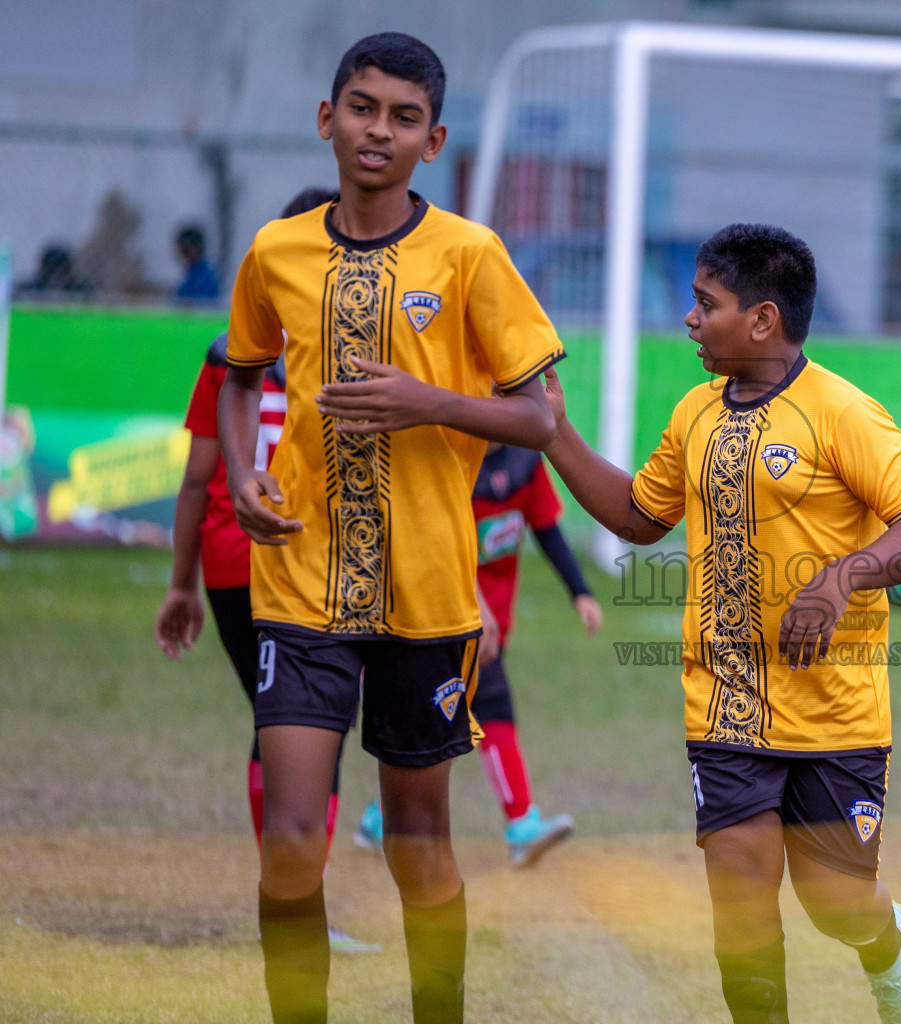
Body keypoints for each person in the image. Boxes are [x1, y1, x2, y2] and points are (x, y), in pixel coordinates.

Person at [217, 32, 563, 1024]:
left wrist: (430, 401)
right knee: (290, 839)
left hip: (426, 596)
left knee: (420, 850)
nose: (379, 129)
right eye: (363, 107)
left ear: (434, 140)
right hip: (299, 587)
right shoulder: (277, 251)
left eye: (403, 117)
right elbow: (240, 373)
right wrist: (243, 472)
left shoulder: (469, 255)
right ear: (328, 118)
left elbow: (541, 415)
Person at [541, 222, 901, 1024]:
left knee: (836, 903)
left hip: (836, 715)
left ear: (762, 320)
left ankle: (887, 948)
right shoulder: (696, 410)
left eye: (706, 304)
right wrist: (556, 430)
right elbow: (636, 514)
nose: (690, 320)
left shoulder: (844, 413)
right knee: (742, 908)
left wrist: (843, 576)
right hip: (724, 705)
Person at [153, 188, 376, 956]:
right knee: (312, 730)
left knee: (278, 723)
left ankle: (290, 903)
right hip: (305, 561)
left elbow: (195, 480)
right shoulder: (360, 346)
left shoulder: (228, 355)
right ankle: (297, 908)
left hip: (225, 558)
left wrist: (182, 583)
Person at [356, 444, 601, 866]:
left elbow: (546, 528)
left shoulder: (524, 462)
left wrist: (579, 590)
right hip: (444, 617)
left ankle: (380, 819)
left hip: (492, 626)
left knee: (436, 724)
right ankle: (521, 825)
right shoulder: (448, 457)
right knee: (491, 705)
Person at [174, 225, 222, 301]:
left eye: (186, 250)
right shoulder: (190, 272)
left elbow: (199, 303)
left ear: (197, 248)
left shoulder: (205, 276)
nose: (183, 253)